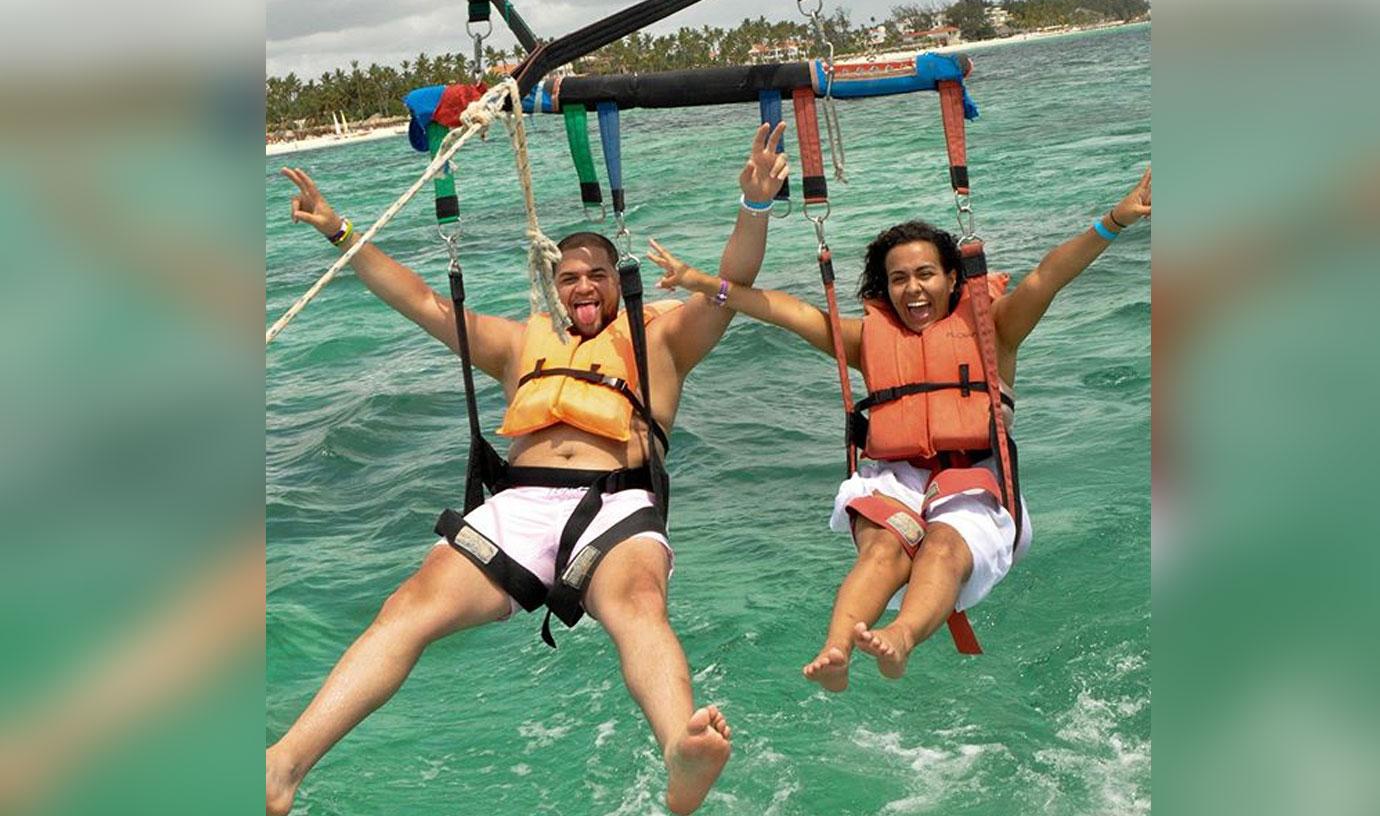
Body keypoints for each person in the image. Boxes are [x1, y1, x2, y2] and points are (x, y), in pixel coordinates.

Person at [267, 122, 791, 816]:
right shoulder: (518, 344)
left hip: (616, 506)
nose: (582, 286)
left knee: (637, 608)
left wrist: (754, 207)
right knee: (406, 610)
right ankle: (282, 767)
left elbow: (734, 282)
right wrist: (340, 230)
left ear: (617, 283)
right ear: (550, 284)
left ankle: (680, 752)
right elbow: (420, 300)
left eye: (597, 276)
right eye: (567, 276)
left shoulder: (661, 338)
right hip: (516, 508)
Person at [647, 167, 1151, 691]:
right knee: (884, 549)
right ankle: (836, 649)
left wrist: (1117, 219)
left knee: (940, 547)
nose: (913, 288)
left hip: (978, 478)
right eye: (898, 278)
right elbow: (786, 312)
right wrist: (700, 282)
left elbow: (1049, 276)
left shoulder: (995, 329)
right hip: (895, 477)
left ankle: (901, 638)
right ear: (884, 288)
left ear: (953, 278)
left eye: (925, 274)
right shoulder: (867, 340)